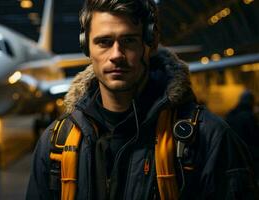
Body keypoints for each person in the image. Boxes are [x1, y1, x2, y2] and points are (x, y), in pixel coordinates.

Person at [26, 0, 259, 199]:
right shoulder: (54, 144)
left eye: (128, 41)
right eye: (104, 42)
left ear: (150, 43)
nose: (116, 55)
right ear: (86, 46)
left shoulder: (207, 139)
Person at [226, 90, 259, 182]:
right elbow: (254, 137)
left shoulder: (231, 114)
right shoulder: (249, 116)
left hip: (233, 154)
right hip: (249, 154)